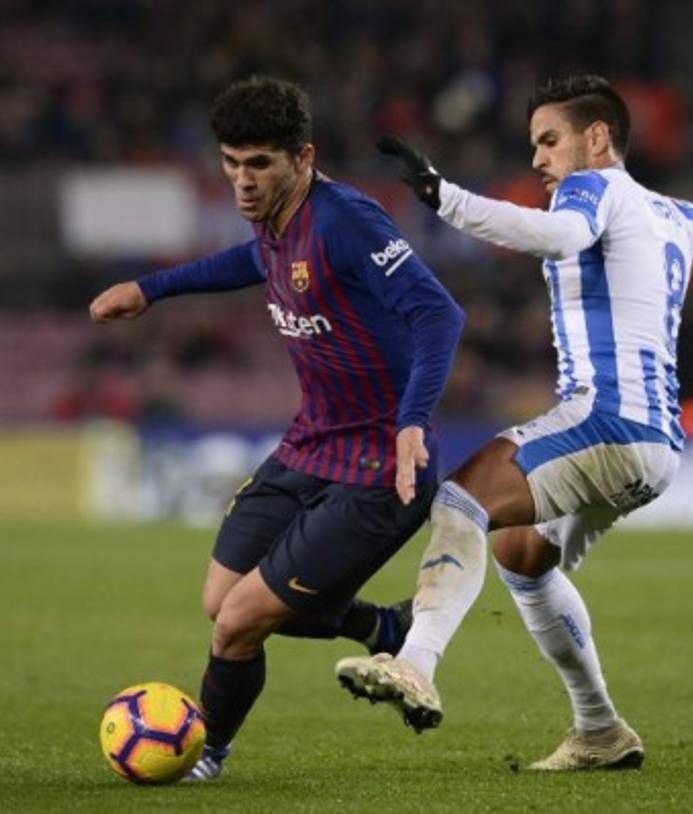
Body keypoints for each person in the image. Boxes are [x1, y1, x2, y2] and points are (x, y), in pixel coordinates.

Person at [336, 39, 693, 770]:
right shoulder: (672, 215)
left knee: (462, 498)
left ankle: (414, 662)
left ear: (596, 138)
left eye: (549, 140)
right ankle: (599, 728)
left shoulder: (594, 189)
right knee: (521, 555)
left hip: (604, 420)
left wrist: (448, 198)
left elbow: (561, 235)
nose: (539, 159)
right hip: (656, 444)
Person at [90, 76, 465, 781]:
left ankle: (207, 754)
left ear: (304, 157)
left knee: (236, 624)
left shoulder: (346, 222)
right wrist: (152, 289)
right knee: (218, 602)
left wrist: (413, 423)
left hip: (380, 470)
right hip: (309, 446)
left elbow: (440, 315)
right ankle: (381, 627)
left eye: (259, 164)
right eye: (231, 163)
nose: (242, 181)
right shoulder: (273, 222)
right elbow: (251, 261)